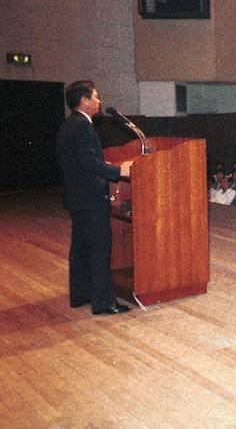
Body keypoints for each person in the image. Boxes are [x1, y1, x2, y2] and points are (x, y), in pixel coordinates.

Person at [56, 80, 132, 315]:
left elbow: (79, 161)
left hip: (76, 197)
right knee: (100, 249)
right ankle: (104, 303)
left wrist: (102, 165)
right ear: (84, 101)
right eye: (96, 97)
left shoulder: (68, 125)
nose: (99, 101)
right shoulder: (83, 126)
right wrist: (119, 171)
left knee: (80, 248)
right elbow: (88, 162)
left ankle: (81, 295)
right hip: (90, 198)